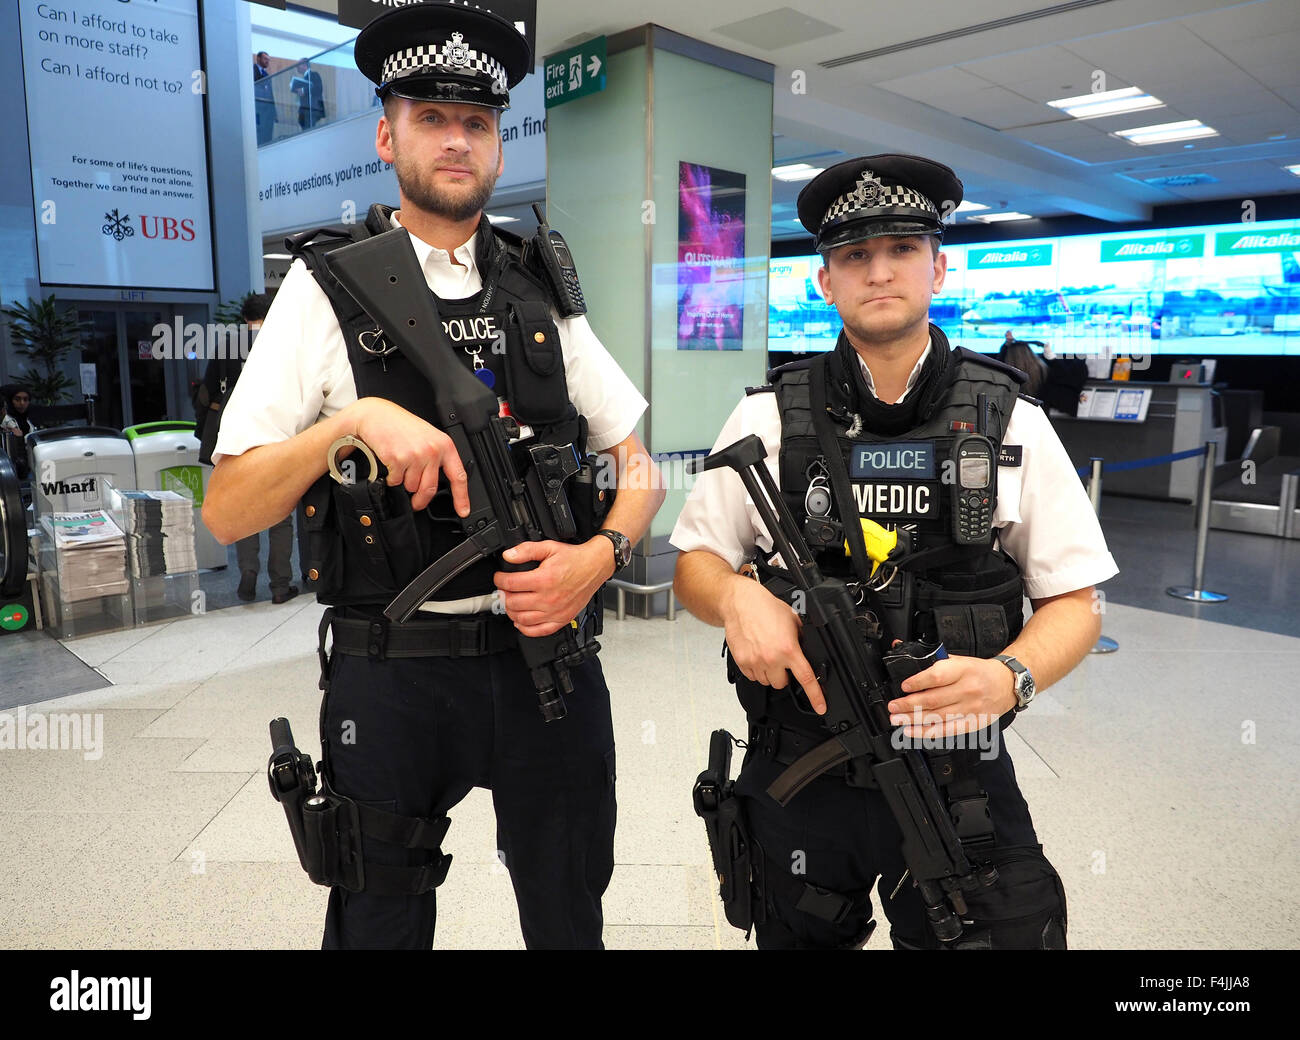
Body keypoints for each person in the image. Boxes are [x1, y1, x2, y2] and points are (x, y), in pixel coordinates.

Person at [203, 2, 662, 950]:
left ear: (499, 143)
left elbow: (638, 462)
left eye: (477, 123)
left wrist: (602, 555)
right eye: (431, 118)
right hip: (393, 672)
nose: (457, 141)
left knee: (571, 909)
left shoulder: (539, 281)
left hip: (551, 663)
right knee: (378, 921)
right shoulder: (324, 286)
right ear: (387, 135)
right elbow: (228, 511)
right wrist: (353, 425)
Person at [672, 154, 1118, 950]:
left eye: (903, 250)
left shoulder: (1009, 419)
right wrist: (738, 597)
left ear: (938, 268)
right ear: (825, 281)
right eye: (854, 257)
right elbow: (697, 563)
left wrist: (1008, 678)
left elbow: (1076, 600)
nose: (879, 272)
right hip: (800, 763)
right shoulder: (768, 417)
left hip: (958, 772)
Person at [0, 385, 38, 480]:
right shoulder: (5, 420)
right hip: (12, 470)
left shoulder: (29, 419)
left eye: (25, 399)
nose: (22, 403)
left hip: (31, 465)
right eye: (17, 399)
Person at [290, 59, 325, 130]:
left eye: (298, 65)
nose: (297, 67)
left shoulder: (314, 74)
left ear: (305, 65)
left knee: (309, 129)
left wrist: (303, 90)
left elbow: (318, 88)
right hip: (305, 110)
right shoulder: (304, 78)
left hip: (312, 109)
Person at [254, 51, 277, 146]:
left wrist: (274, 112)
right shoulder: (251, 70)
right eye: (265, 59)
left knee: (267, 135)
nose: (267, 61)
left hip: (267, 111)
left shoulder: (267, 75)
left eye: (269, 60)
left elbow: (271, 94)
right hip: (257, 108)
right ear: (258, 58)